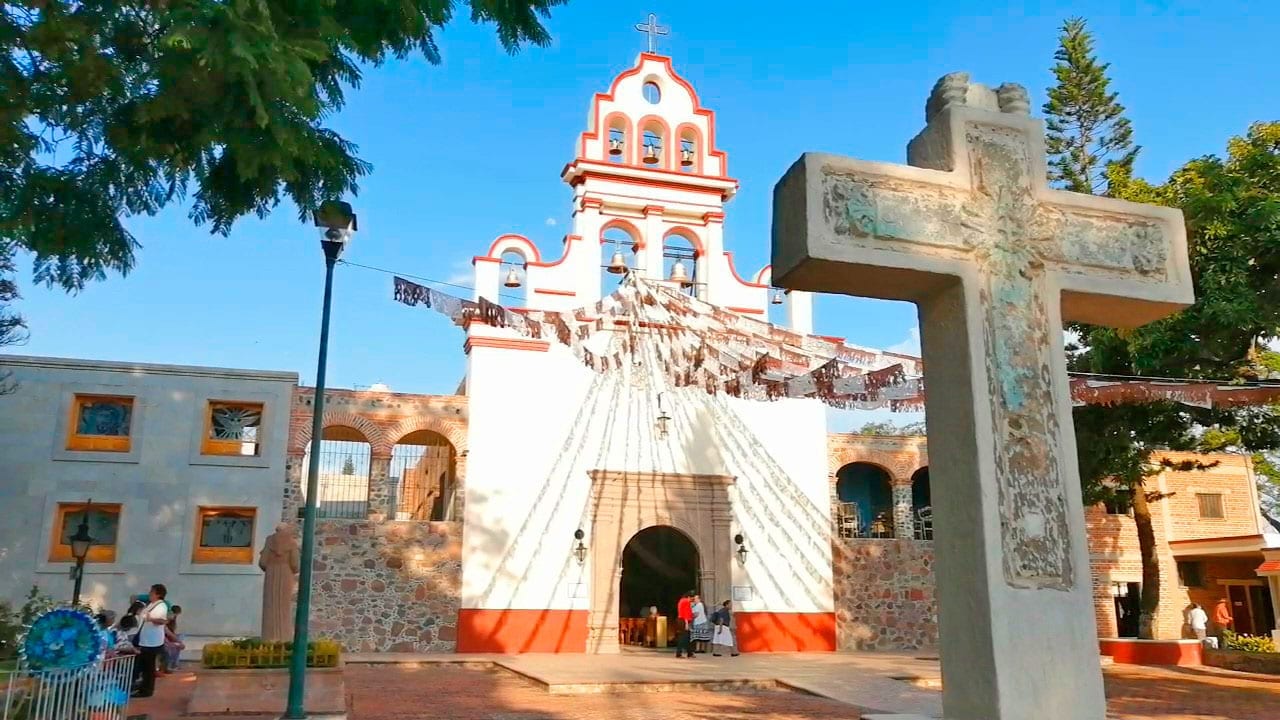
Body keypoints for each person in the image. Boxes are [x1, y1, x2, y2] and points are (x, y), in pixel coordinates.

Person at [133, 584, 169, 698]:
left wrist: (151, 618)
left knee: (148, 667)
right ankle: (142, 686)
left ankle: (147, 690)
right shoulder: (151, 605)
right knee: (144, 665)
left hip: (152, 642)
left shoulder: (161, 606)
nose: (149, 593)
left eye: (152, 592)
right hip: (145, 640)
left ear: (158, 594)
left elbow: (162, 621)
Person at [161, 605, 184, 674]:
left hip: (166, 638)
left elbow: (169, 633)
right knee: (168, 650)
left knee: (173, 647)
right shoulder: (162, 624)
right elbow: (166, 634)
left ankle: (169, 666)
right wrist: (172, 643)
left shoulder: (165, 624)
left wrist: (178, 642)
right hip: (160, 641)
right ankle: (167, 666)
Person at [674, 591, 695, 659]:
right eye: (692, 599)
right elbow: (686, 613)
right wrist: (686, 623)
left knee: (687, 636)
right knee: (683, 637)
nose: (692, 601)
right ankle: (679, 653)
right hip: (683, 621)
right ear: (689, 597)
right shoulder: (686, 602)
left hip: (680, 620)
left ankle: (690, 653)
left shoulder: (681, 601)